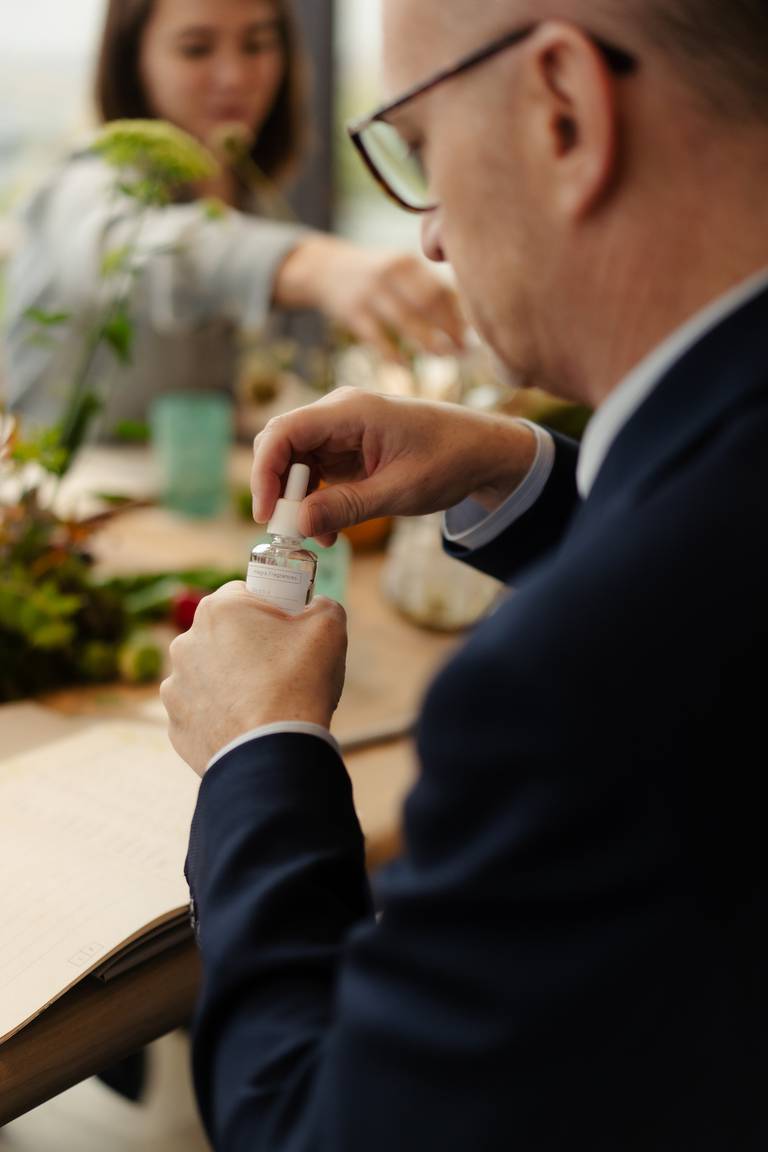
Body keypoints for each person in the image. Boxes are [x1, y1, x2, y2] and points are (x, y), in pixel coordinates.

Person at [161, 1, 768, 1148]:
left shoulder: (562, 695)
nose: (429, 239)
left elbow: (314, 1128)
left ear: (563, 111)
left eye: (424, 152)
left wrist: (258, 752)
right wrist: (516, 469)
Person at [3, 0, 464, 433]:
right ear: (134, 60)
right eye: (196, 49)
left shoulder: (255, 200)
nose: (235, 76)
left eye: (257, 44)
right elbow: (128, 251)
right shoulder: (87, 182)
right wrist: (310, 263)